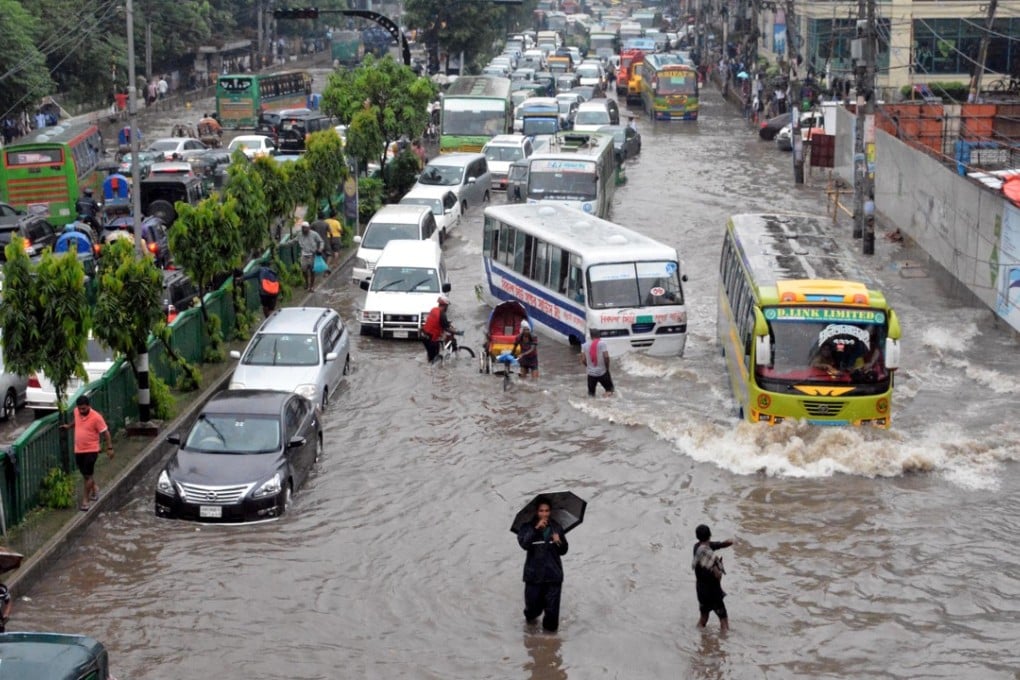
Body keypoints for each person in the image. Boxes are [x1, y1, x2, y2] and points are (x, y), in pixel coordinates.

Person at [518, 496, 569, 632]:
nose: (544, 514)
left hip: (553, 576)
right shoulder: (526, 527)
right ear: (536, 512)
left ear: (550, 511)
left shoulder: (556, 527)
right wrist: (536, 529)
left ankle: (551, 644)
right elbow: (524, 544)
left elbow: (564, 550)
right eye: (541, 511)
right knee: (532, 610)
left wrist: (559, 541)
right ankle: (529, 630)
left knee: (552, 616)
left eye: (547, 511)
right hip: (533, 576)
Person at [59, 395, 114, 512]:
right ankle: (94, 488)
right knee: (84, 473)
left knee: (88, 475)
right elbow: (76, 421)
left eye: (84, 409)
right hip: (79, 449)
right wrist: (69, 426)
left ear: (89, 406)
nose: (81, 411)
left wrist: (109, 448)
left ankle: (85, 500)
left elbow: (106, 433)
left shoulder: (96, 417)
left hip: (91, 450)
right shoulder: (76, 412)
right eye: (79, 409)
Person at [692, 524, 734, 632]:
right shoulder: (711, 558)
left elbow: (717, 545)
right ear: (710, 535)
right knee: (723, 620)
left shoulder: (697, 548)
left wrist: (727, 543)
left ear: (697, 537)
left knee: (703, 619)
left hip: (701, 592)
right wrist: (718, 567)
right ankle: (724, 645)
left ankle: (697, 641)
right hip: (713, 592)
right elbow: (717, 575)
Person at [421, 294, 457, 363]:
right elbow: (446, 327)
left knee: (432, 355)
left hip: (424, 335)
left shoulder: (434, 309)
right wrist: (457, 332)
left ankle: (430, 366)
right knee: (434, 360)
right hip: (431, 338)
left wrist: (448, 324)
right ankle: (431, 371)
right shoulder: (442, 314)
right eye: (447, 306)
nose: (447, 307)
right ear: (445, 305)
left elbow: (437, 321)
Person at [579, 332, 614, 397]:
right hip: (602, 372)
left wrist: (589, 366)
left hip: (591, 375)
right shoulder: (602, 343)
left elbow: (583, 360)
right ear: (598, 336)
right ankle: (607, 405)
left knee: (591, 395)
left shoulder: (584, 345)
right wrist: (607, 367)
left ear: (591, 337)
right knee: (609, 391)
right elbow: (606, 357)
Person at [296, 221, 325, 291]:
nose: (304, 230)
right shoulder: (300, 235)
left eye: (305, 228)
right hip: (304, 255)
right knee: (304, 270)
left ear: (308, 228)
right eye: (303, 228)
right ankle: (306, 282)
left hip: (312, 255)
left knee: (312, 271)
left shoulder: (314, 234)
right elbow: (295, 240)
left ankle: (311, 286)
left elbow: (321, 241)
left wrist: (320, 249)